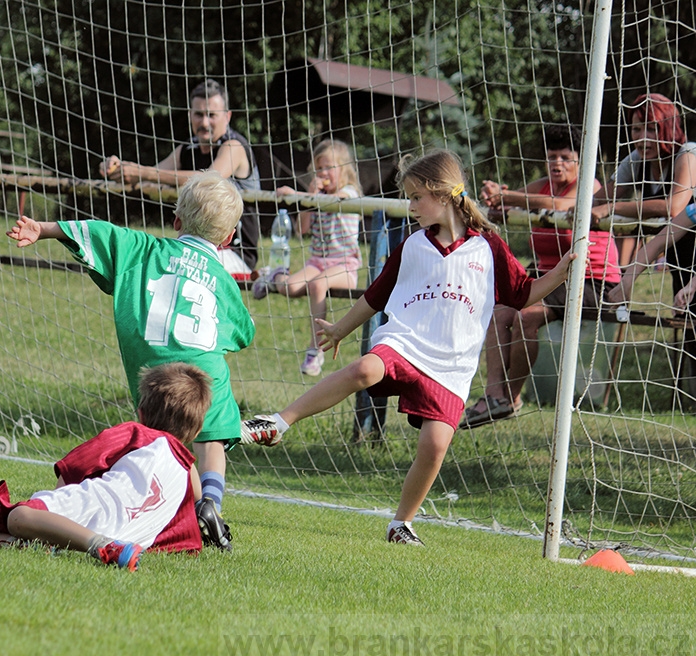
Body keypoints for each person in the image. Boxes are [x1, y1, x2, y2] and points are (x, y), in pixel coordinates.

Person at [240, 149, 576, 546]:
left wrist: (562, 271)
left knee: (434, 445)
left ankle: (401, 523)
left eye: (417, 196)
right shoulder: (413, 245)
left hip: (452, 364)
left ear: (443, 195)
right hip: (405, 341)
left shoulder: (488, 246)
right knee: (365, 369)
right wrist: (341, 330)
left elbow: (521, 295)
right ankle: (278, 423)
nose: (411, 205)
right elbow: (376, 295)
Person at [6, 171, 255, 551]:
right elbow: (244, 332)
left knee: (167, 442)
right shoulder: (223, 279)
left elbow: (98, 231)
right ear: (227, 238)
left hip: (153, 367)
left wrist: (43, 228)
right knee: (211, 439)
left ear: (176, 221)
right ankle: (210, 503)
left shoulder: (141, 249)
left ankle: (175, 509)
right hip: (205, 374)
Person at [0, 362, 213, 571]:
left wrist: (52, 505)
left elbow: (74, 468)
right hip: (131, 535)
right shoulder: (187, 475)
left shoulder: (135, 433)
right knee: (10, 519)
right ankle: (37, 545)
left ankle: (99, 545)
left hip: (96, 513)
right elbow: (187, 525)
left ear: (141, 414)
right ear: (197, 431)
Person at [461, 125, 620, 428]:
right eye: (551, 157)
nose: (557, 163)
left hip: (591, 277)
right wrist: (497, 196)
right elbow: (512, 199)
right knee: (499, 311)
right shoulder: (541, 186)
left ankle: (510, 397)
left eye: (565, 157)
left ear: (579, 162)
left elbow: (563, 207)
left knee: (526, 316)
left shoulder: (590, 187)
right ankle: (494, 394)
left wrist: (513, 197)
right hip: (549, 272)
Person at [99, 79, 261, 275]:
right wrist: (117, 168)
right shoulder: (187, 149)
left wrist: (142, 172)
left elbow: (208, 178)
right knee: (153, 262)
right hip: (193, 243)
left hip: (235, 252)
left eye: (212, 115)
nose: (204, 122)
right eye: (199, 114)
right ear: (189, 115)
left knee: (170, 267)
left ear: (227, 117)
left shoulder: (234, 146)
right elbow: (149, 175)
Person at [254, 139, 363, 377]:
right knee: (290, 286)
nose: (323, 173)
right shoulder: (316, 197)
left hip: (344, 265)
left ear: (344, 170)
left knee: (317, 284)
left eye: (329, 168)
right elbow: (302, 229)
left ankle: (315, 351)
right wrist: (305, 201)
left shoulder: (350, 192)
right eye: (319, 168)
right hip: (317, 261)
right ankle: (272, 276)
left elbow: (339, 200)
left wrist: (299, 193)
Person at [588, 93, 696, 271]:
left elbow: (674, 207)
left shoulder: (688, 154)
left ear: (669, 128)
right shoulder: (635, 161)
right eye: (636, 129)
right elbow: (600, 199)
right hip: (680, 263)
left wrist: (611, 209)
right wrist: (578, 208)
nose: (642, 137)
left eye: (652, 129)